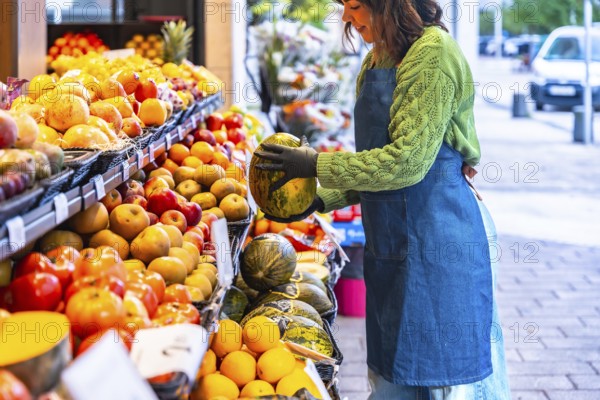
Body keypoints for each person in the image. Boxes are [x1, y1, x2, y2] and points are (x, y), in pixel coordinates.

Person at [255, 0, 512, 398]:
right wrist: (319, 200)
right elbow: (377, 161)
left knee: (442, 382)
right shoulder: (377, 60)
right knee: (395, 378)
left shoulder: (434, 55)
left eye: (355, 5)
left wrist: (316, 165)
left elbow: (406, 162)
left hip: (438, 244)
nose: (346, 17)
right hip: (392, 243)